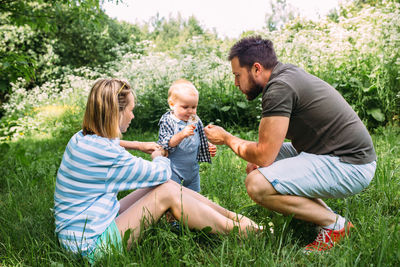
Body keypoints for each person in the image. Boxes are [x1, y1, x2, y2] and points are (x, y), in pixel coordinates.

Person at [54, 78, 261, 262]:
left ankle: (236, 219)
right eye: (131, 110)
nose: (133, 116)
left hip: (82, 230)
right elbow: (160, 174)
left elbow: (111, 143)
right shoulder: (107, 155)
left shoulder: (81, 138)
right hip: (89, 247)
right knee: (166, 188)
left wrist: (138, 144)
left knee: (167, 187)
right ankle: (240, 230)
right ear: (116, 113)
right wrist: (158, 156)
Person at [204, 36, 377, 252]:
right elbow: (264, 154)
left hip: (351, 165)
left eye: (238, 75)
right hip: (332, 153)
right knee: (255, 167)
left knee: (257, 184)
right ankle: (321, 218)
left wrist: (227, 138)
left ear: (256, 68)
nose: (236, 83)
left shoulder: (279, 88)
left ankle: (336, 226)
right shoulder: (285, 75)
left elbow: (264, 154)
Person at [155, 79, 216, 192]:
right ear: (172, 104)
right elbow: (166, 143)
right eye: (185, 107)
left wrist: (207, 146)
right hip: (174, 170)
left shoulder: (194, 119)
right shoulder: (168, 121)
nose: (190, 111)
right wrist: (182, 134)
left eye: (194, 107)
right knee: (175, 196)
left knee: (194, 196)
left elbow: (198, 137)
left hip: (192, 170)